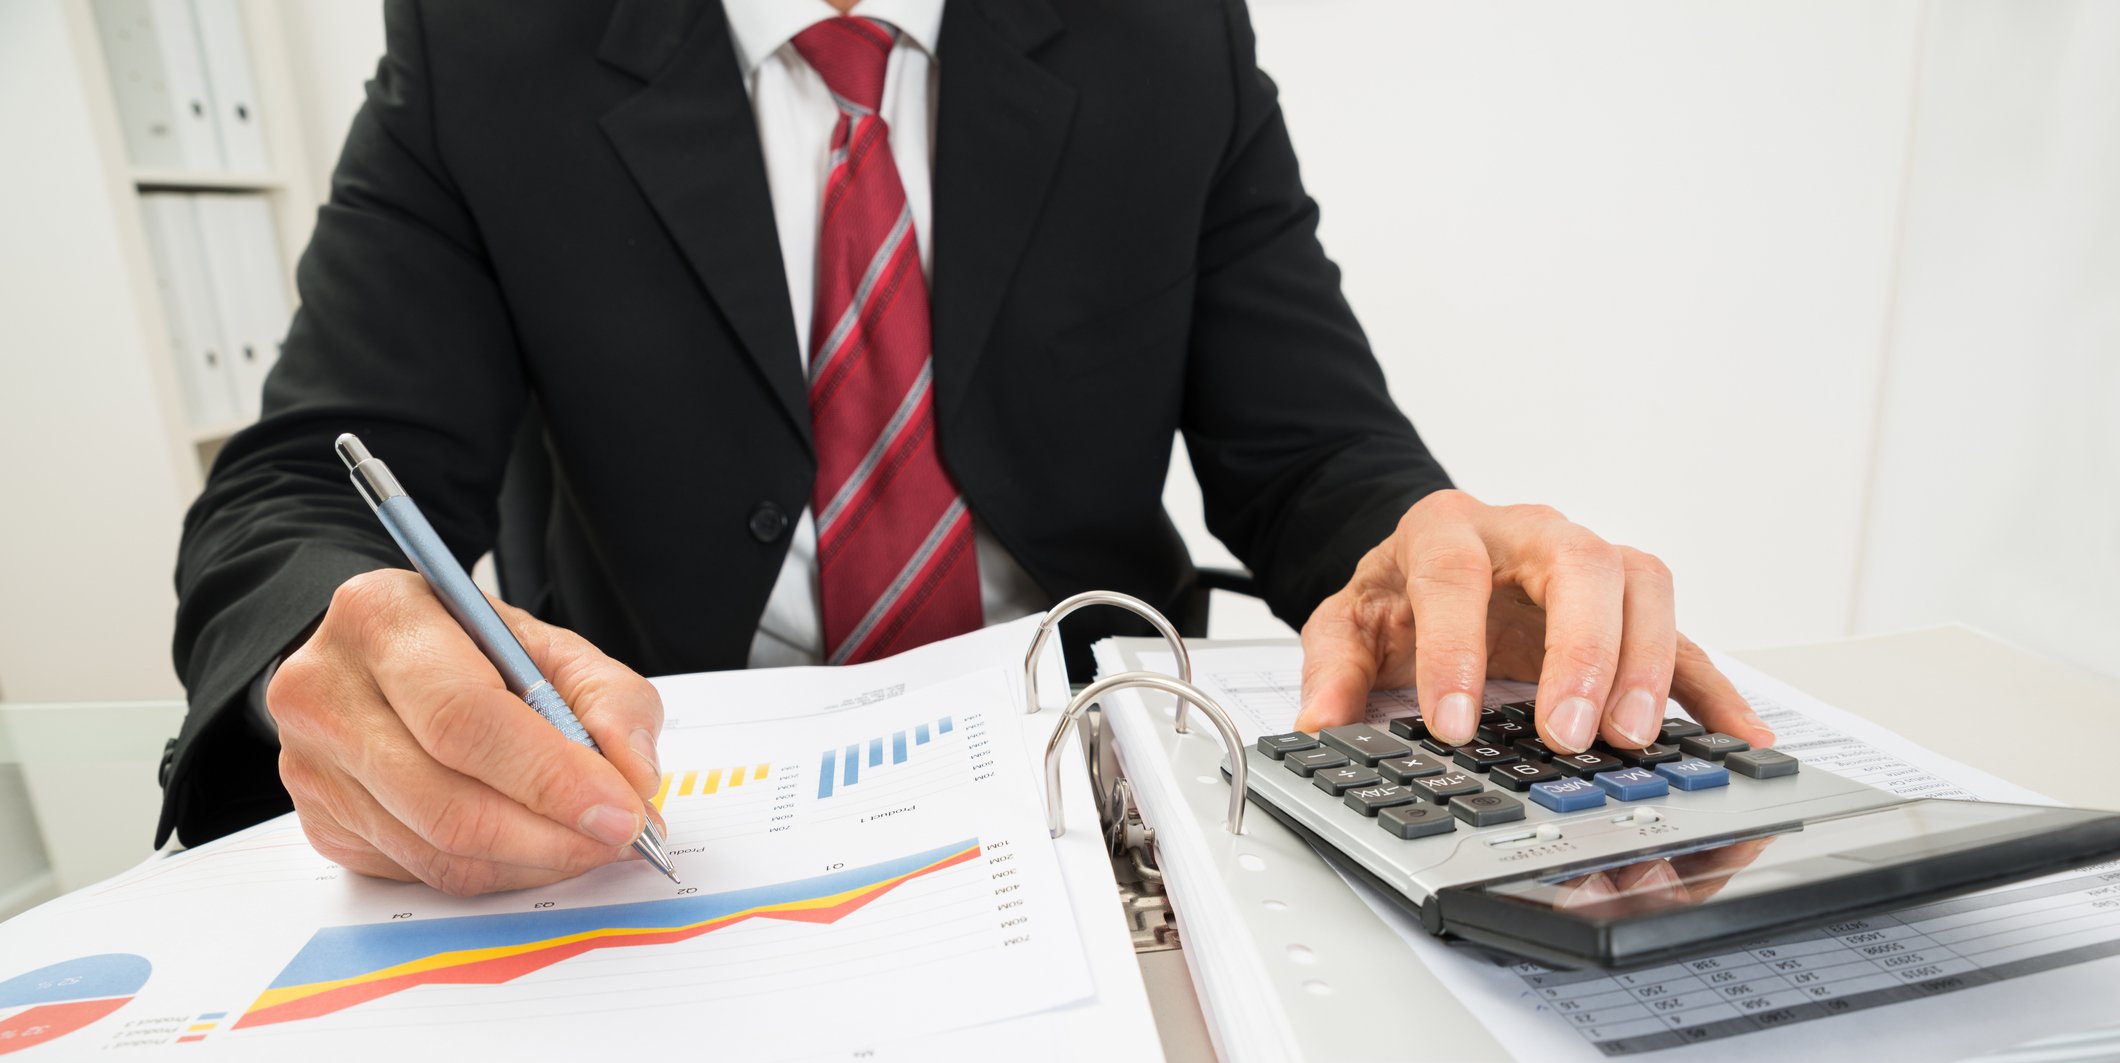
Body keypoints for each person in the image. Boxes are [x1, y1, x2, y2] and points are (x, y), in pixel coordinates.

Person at [162, 0, 1771, 895]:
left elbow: (1315, 456)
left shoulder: (1164, 36)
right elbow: (306, 484)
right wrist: (341, 633)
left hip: (1101, 807)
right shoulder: (487, 44)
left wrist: (1432, 543)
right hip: (661, 820)